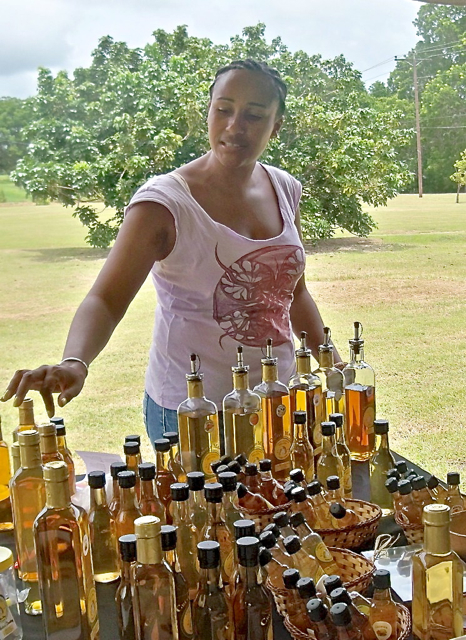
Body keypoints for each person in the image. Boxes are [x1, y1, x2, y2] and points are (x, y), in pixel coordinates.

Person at [1, 59, 341, 443]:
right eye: (224, 110)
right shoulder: (163, 204)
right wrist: (75, 361)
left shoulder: (284, 189)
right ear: (208, 112)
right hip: (191, 410)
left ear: (275, 127)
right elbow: (106, 299)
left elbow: (293, 294)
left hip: (276, 398)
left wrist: (332, 364)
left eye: (254, 115)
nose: (234, 126)